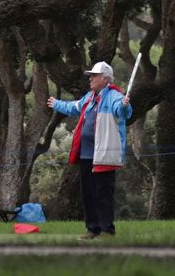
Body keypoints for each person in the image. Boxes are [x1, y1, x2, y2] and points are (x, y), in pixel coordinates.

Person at [47, 61, 132, 241]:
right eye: (91, 76)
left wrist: (125, 105)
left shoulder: (115, 97)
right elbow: (73, 107)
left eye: (94, 75)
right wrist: (56, 104)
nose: (90, 79)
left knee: (103, 193)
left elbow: (123, 111)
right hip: (86, 155)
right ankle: (92, 229)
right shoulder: (89, 97)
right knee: (88, 194)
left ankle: (107, 231)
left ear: (105, 78)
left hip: (104, 155)